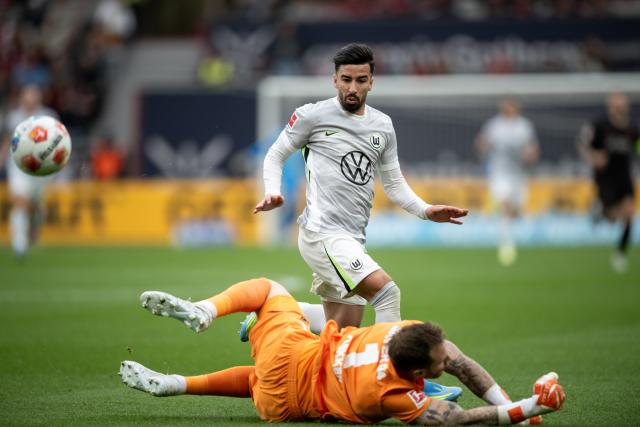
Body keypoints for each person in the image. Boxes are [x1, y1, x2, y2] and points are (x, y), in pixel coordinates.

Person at [253, 43, 468, 400]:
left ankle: (276, 315)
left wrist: (426, 210)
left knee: (342, 333)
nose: (353, 88)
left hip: (352, 238)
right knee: (386, 292)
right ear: (334, 79)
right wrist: (274, 190)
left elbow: (395, 184)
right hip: (322, 233)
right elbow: (275, 154)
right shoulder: (312, 116)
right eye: (346, 79)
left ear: (372, 82)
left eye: (361, 80)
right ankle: (395, 379)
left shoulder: (382, 125)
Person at [120, 278, 565, 425]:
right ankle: (177, 385)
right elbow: (459, 421)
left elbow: (461, 363)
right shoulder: (392, 395)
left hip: (294, 354)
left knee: (271, 290)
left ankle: (205, 310)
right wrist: (528, 407)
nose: (448, 360)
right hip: (286, 404)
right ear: (414, 370)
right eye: (439, 362)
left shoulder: (403, 334)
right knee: (257, 383)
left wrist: (513, 404)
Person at [578, 91, 638, 273]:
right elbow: (583, 144)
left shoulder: (631, 130)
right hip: (605, 178)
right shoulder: (600, 126)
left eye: (622, 104)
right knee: (612, 217)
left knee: (629, 214)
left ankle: (621, 253)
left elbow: (638, 148)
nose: (620, 107)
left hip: (624, 176)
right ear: (610, 106)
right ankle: (599, 211)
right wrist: (594, 156)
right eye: (616, 104)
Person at [475, 97, 539, 266]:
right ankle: (507, 245)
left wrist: (530, 155)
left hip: (518, 174)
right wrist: (482, 147)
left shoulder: (524, 126)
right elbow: (481, 143)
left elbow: (532, 148)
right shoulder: (494, 126)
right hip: (499, 172)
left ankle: (510, 235)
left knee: (516, 210)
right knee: (505, 205)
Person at [0, 85, 58, 258]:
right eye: (27, 96)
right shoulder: (14, 116)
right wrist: (2, 158)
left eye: (33, 96)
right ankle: (19, 243)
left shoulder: (49, 116)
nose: (29, 100)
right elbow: (8, 139)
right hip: (19, 165)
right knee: (20, 201)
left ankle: (33, 227)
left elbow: (58, 141)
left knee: (36, 206)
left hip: (42, 168)